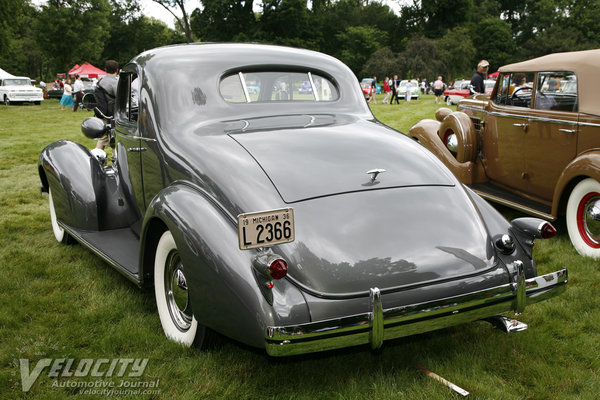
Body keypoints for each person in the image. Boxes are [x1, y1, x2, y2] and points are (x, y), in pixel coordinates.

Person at [95, 60, 119, 150]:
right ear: (117, 70)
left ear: (105, 69)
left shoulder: (100, 81)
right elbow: (120, 98)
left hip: (102, 112)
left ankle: (97, 156)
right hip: (112, 114)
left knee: (103, 137)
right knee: (113, 137)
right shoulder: (115, 83)